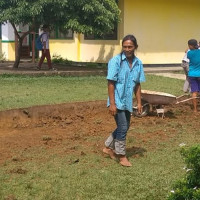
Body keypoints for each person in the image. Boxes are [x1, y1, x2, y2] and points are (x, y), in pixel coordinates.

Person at [103, 34, 146, 167]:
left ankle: (107, 147)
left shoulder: (138, 63)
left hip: (127, 101)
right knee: (122, 127)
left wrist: (138, 102)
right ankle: (122, 156)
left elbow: (137, 85)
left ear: (135, 47)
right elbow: (111, 83)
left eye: (130, 47)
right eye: (125, 46)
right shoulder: (115, 61)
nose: (127, 49)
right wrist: (113, 104)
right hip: (117, 100)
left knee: (125, 126)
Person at [187, 39, 200, 112]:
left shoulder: (189, 53)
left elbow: (187, 52)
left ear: (191, 46)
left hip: (192, 74)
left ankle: (195, 109)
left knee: (194, 92)